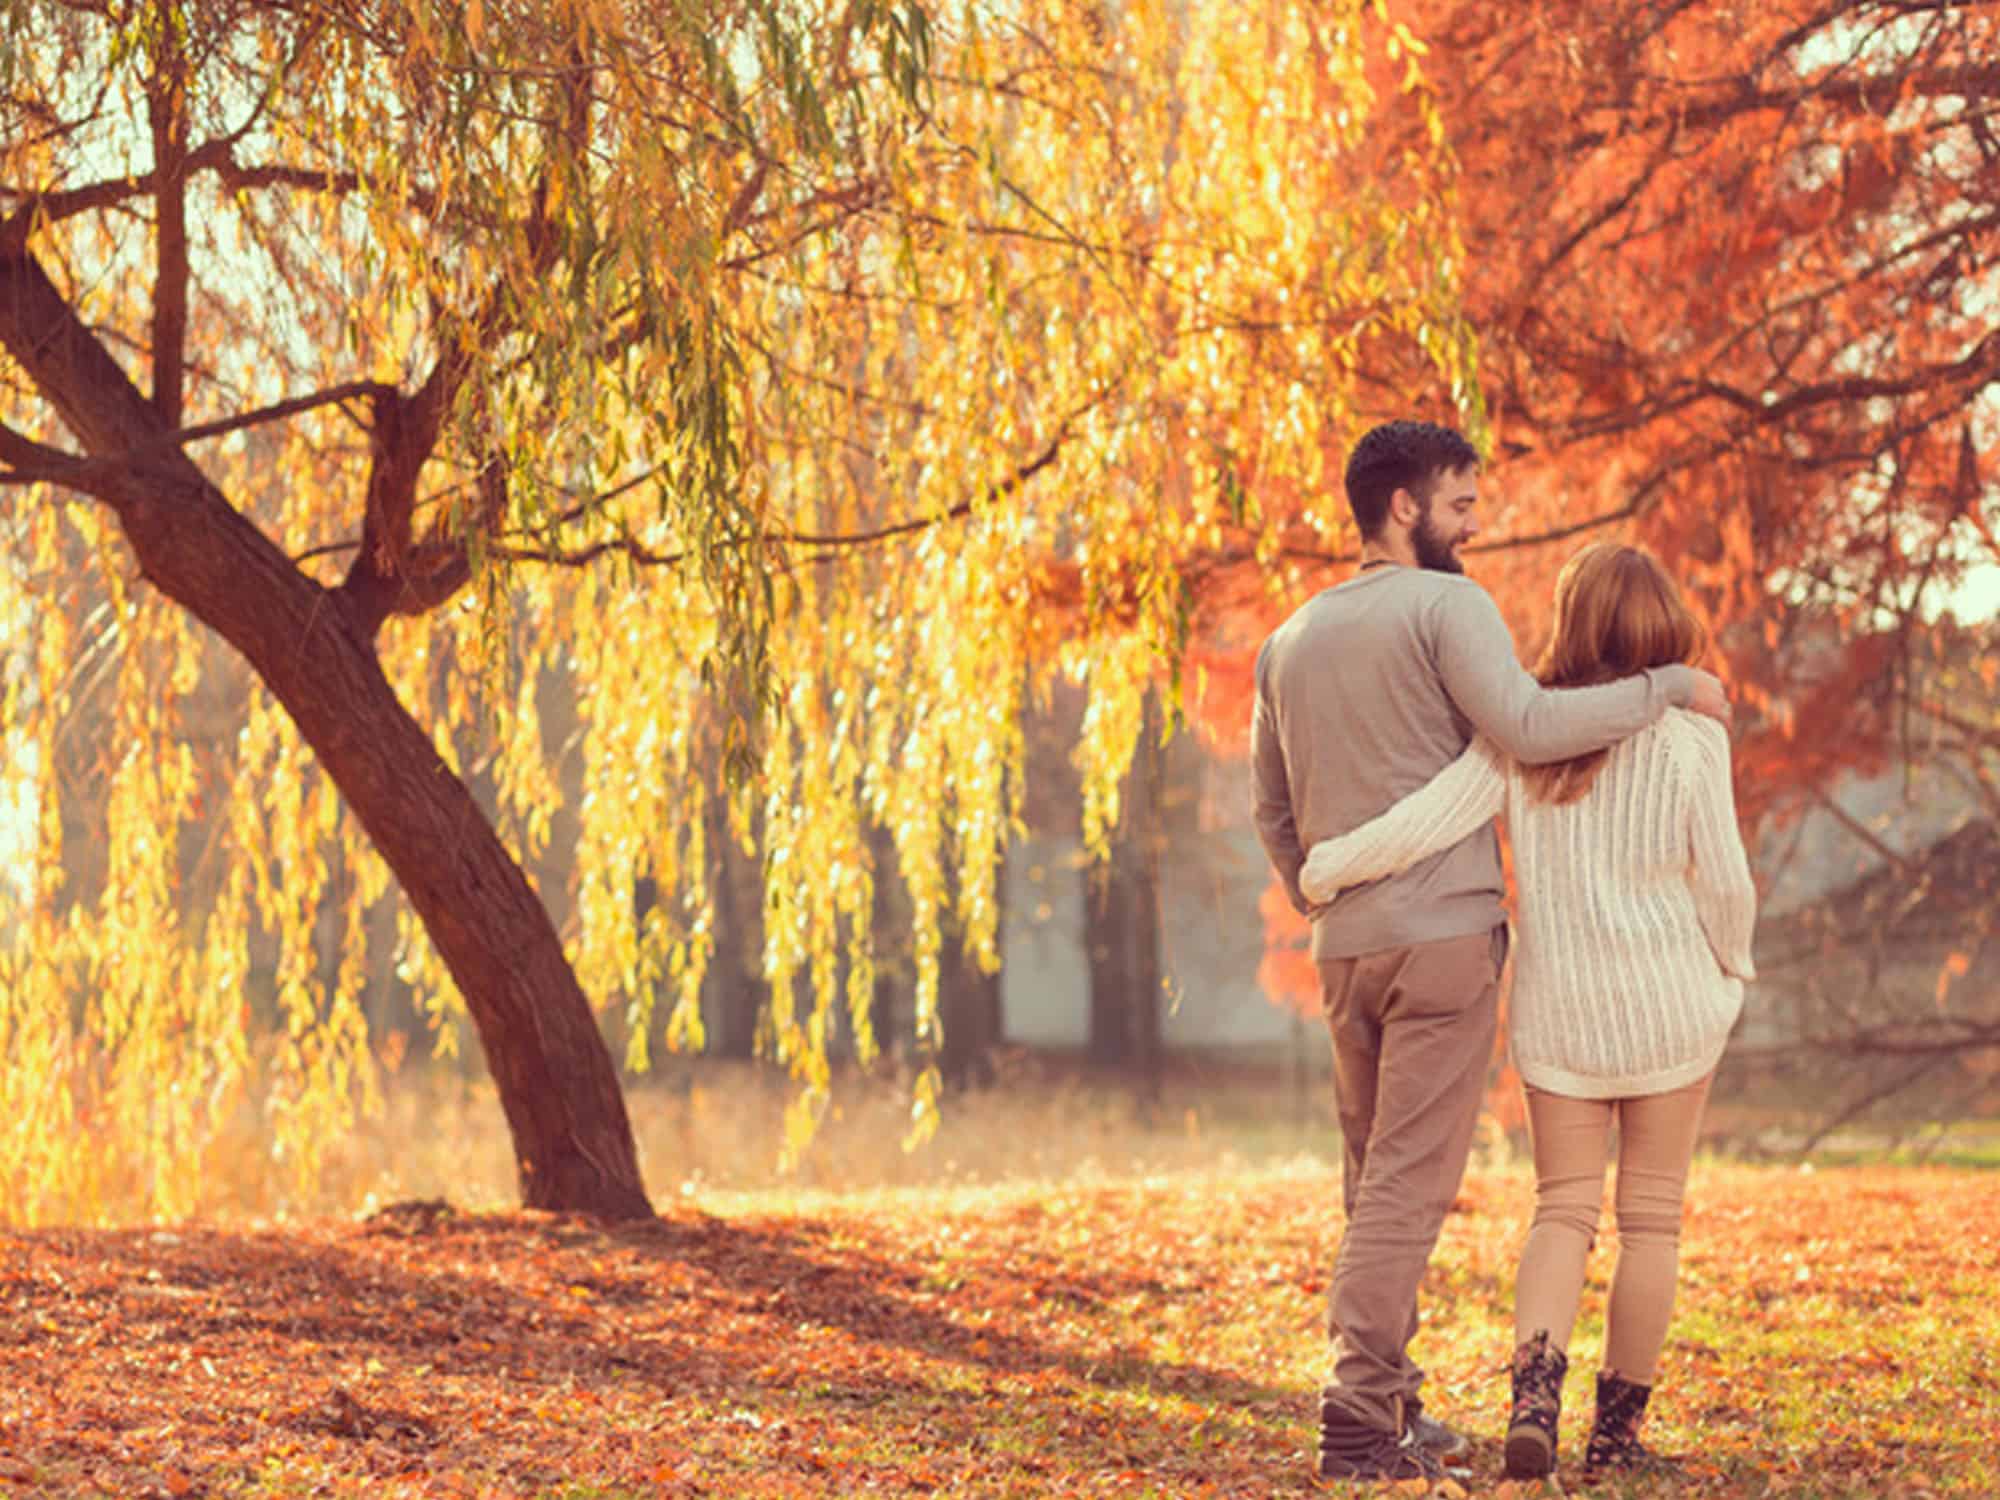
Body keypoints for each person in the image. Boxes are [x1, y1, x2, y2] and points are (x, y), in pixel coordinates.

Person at [1249, 420, 1731, 1486]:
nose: (1473, 526)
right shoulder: (1446, 606)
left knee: (1371, 1177)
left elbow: (1272, 812)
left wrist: (1322, 896)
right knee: (1405, 1186)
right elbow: (1526, 726)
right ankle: (1356, 1420)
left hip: (1344, 948)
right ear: (1405, 506)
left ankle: (1393, 1399)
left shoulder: (1288, 638)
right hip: (1441, 944)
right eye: (1460, 504)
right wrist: (1664, 687)